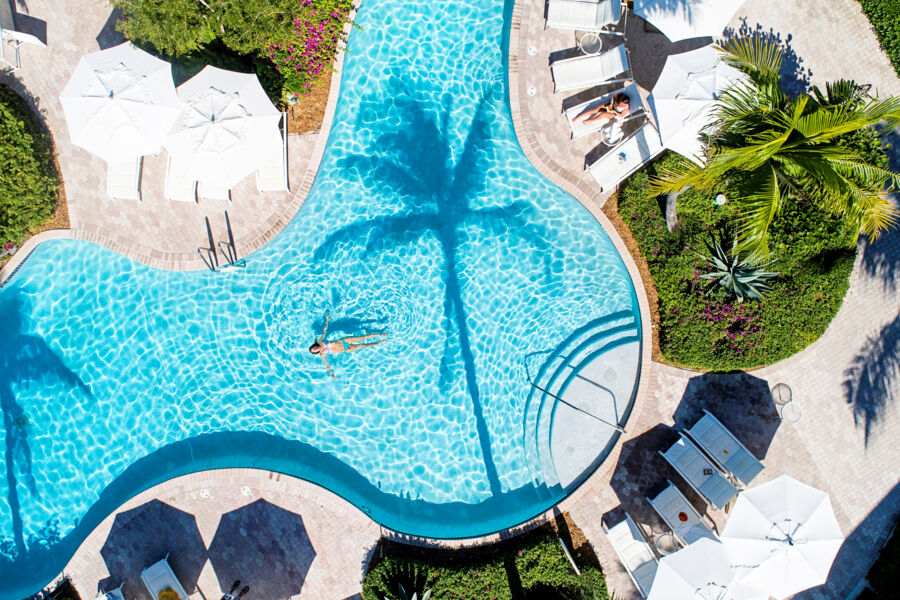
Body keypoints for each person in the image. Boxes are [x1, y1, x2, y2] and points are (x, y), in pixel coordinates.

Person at [309, 314, 388, 378]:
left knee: (362, 337)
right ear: (316, 352)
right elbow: (327, 364)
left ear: (314, 345)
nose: (315, 349)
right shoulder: (322, 354)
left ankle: (380, 334)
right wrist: (331, 374)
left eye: (314, 347)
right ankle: (380, 342)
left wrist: (327, 320)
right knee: (363, 345)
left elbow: (324, 331)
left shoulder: (321, 342)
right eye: (314, 350)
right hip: (346, 349)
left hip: (344, 341)